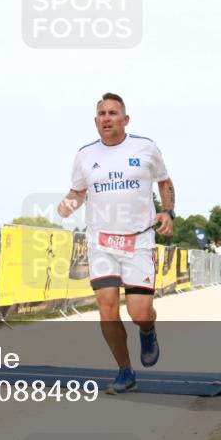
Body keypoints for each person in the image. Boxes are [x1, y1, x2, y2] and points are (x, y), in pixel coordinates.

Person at [58, 93, 174, 394]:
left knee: (139, 313)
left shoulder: (145, 148)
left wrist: (167, 211)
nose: (107, 118)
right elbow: (78, 191)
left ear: (125, 119)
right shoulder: (85, 155)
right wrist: (68, 204)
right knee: (107, 308)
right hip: (101, 242)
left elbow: (164, 181)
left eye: (112, 113)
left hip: (138, 240)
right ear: (96, 121)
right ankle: (125, 371)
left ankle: (147, 330)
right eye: (102, 114)